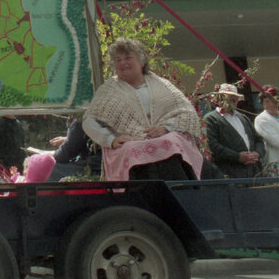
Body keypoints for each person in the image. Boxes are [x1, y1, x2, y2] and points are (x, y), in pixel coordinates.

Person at [83, 38, 203, 181]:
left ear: (142, 62)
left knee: (172, 142)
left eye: (128, 58)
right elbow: (88, 121)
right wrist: (110, 139)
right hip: (130, 143)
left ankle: (180, 189)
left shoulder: (162, 84)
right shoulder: (107, 91)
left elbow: (187, 112)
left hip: (165, 139)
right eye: (118, 60)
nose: (123, 63)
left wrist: (166, 127)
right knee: (132, 150)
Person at [203, 83, 265, 179]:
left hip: (253, 171)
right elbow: (212, 145)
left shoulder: (243, 118)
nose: (231, 102)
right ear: (218, 100)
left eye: (234, 100)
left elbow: (258, 140)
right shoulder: (211, 119)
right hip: (229, 172)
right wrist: (237, 157)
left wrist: (257, 153)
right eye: (227, 99)